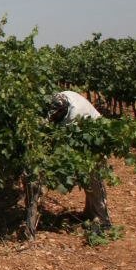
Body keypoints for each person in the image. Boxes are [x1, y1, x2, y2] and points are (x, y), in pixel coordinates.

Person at [48, 91, 111, 227]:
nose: (55, 116)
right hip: (84, 138)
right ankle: (89, 213)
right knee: (87, 181)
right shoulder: (61, 97)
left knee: (95, 180)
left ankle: (104, 220)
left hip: (95, 143)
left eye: (58, 114)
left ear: (64, 110)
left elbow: (63, 140)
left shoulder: (74, 114)